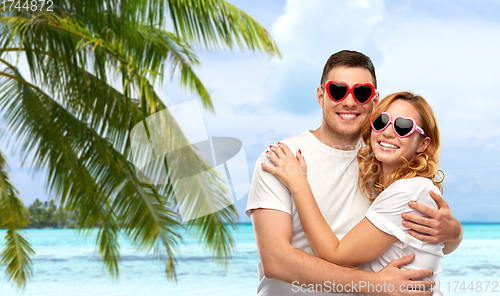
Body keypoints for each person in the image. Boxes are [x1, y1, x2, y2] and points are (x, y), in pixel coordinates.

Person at [245, 50, 463, 295]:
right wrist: (374, 283)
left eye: (361, 92)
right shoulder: (281, 159)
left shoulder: (383, 163)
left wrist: (455, 234)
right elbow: (275, 261)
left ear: (374, 100)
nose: (349, 101)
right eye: (337, 90)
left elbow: (418, 242)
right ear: (321, 95)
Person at [262, 92, 446, 296]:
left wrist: (298, 184)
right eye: (381, 121)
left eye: (403, 127)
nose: (388, 132)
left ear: (423, 144)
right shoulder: (395, 189)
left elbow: (335, 254)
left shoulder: (409, 190)